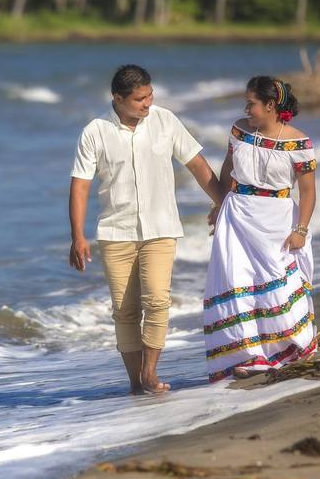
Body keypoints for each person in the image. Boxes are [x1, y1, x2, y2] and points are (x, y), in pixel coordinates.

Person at [69, 64, 224, 395]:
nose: (148, 104)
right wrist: (78, 235)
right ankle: (135, 383)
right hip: (115, 232)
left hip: (161, 228)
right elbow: (80, 185)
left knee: (157, 300)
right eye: (140, 99)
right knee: (125, 311)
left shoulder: (165, 120)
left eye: (150, 95)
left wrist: (224, 202)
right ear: (118, 98)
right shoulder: (94, 131)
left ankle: (150, 373)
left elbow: (196, 164)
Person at [202, 76, 318, 382]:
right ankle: (249, 355)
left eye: (251, 103)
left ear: (270, 105)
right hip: (237, 216)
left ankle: (284, 349)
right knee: (236, 282)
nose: (246, 108)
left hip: (276, 221)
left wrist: (301, 230)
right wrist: (220, 204)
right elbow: (228, 168)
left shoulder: (300, 143)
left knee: (275, 285)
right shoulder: (239, 130)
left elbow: (307, 192)